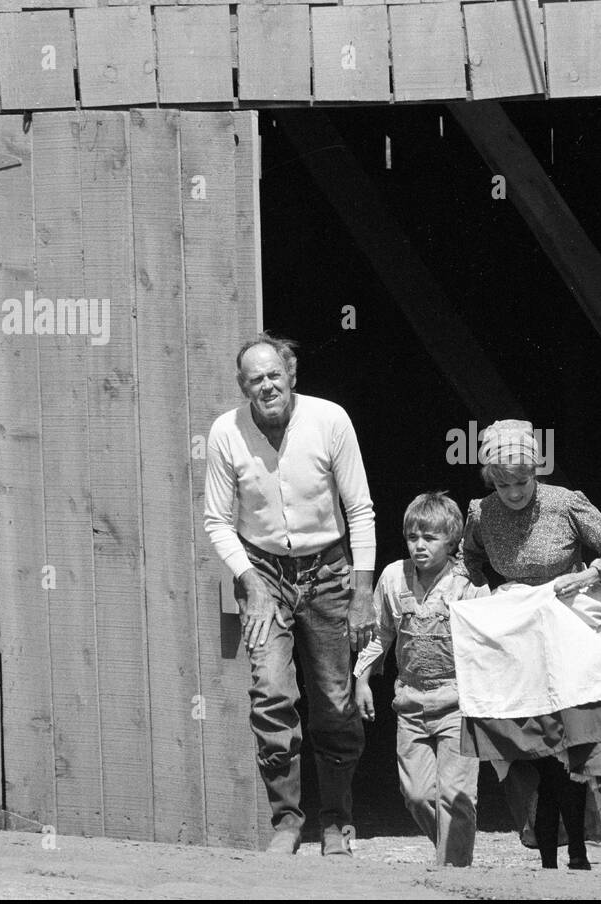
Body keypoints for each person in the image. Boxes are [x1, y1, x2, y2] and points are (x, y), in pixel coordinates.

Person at [203, 336, 376, 857]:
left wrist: (362, 591)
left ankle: (336, 821)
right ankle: (286, 821)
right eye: (255, 379)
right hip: (264, 577)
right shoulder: (225, 432)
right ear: (244, 387)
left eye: (274, 374)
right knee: (272, 693)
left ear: (291, 374)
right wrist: (249, 581)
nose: (267, 385)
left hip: (328, 572)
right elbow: (216, 520)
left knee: (334, 701)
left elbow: (360, 509)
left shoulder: (330, 420)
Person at [459, 420, 601, 871]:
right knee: (533, 748)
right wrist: (487, 596)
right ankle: (546, 849)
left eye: (522, 481)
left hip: (570, 625)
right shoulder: (481, 512)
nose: (513, 492)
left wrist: (584, 576)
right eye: (502, 484)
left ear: (536, 472)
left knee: (578, 741)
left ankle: (587, 843)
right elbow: (471, 559)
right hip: (521, 634)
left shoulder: (566, 504)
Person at [353, 492, 488, 867]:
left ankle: (452, 872)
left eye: (430, 538)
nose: (420, 546)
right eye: (414, 537)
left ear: (452, 541)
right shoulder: (393, 577)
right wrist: (362, 678)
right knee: (417, 794)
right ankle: (451, 853)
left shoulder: (468, 583)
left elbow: (488, 642)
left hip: (458, 703)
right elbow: (381, 632)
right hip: (410, 703)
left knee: (457, 795)